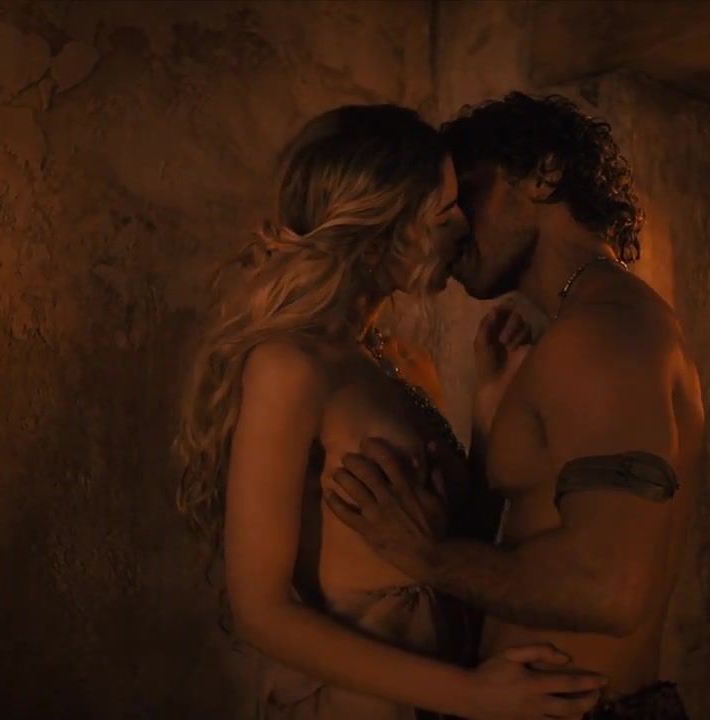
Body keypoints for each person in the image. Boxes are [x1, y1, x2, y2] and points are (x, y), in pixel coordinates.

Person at [173, 104, 608, 720]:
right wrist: (472, 696)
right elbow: (261, 613)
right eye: (444, 211)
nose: (464, 226)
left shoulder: (403, 360)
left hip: (444, 695)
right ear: (383, 226)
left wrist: (487, 408)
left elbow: (456, 545)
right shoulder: (290, 367)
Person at [325, 93, 702, 720]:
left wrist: (426, 557)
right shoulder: (582, 330)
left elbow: (608, 591)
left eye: (466, 194)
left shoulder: (602, 332)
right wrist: (489, 415)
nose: (449, 227)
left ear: (543, 174)